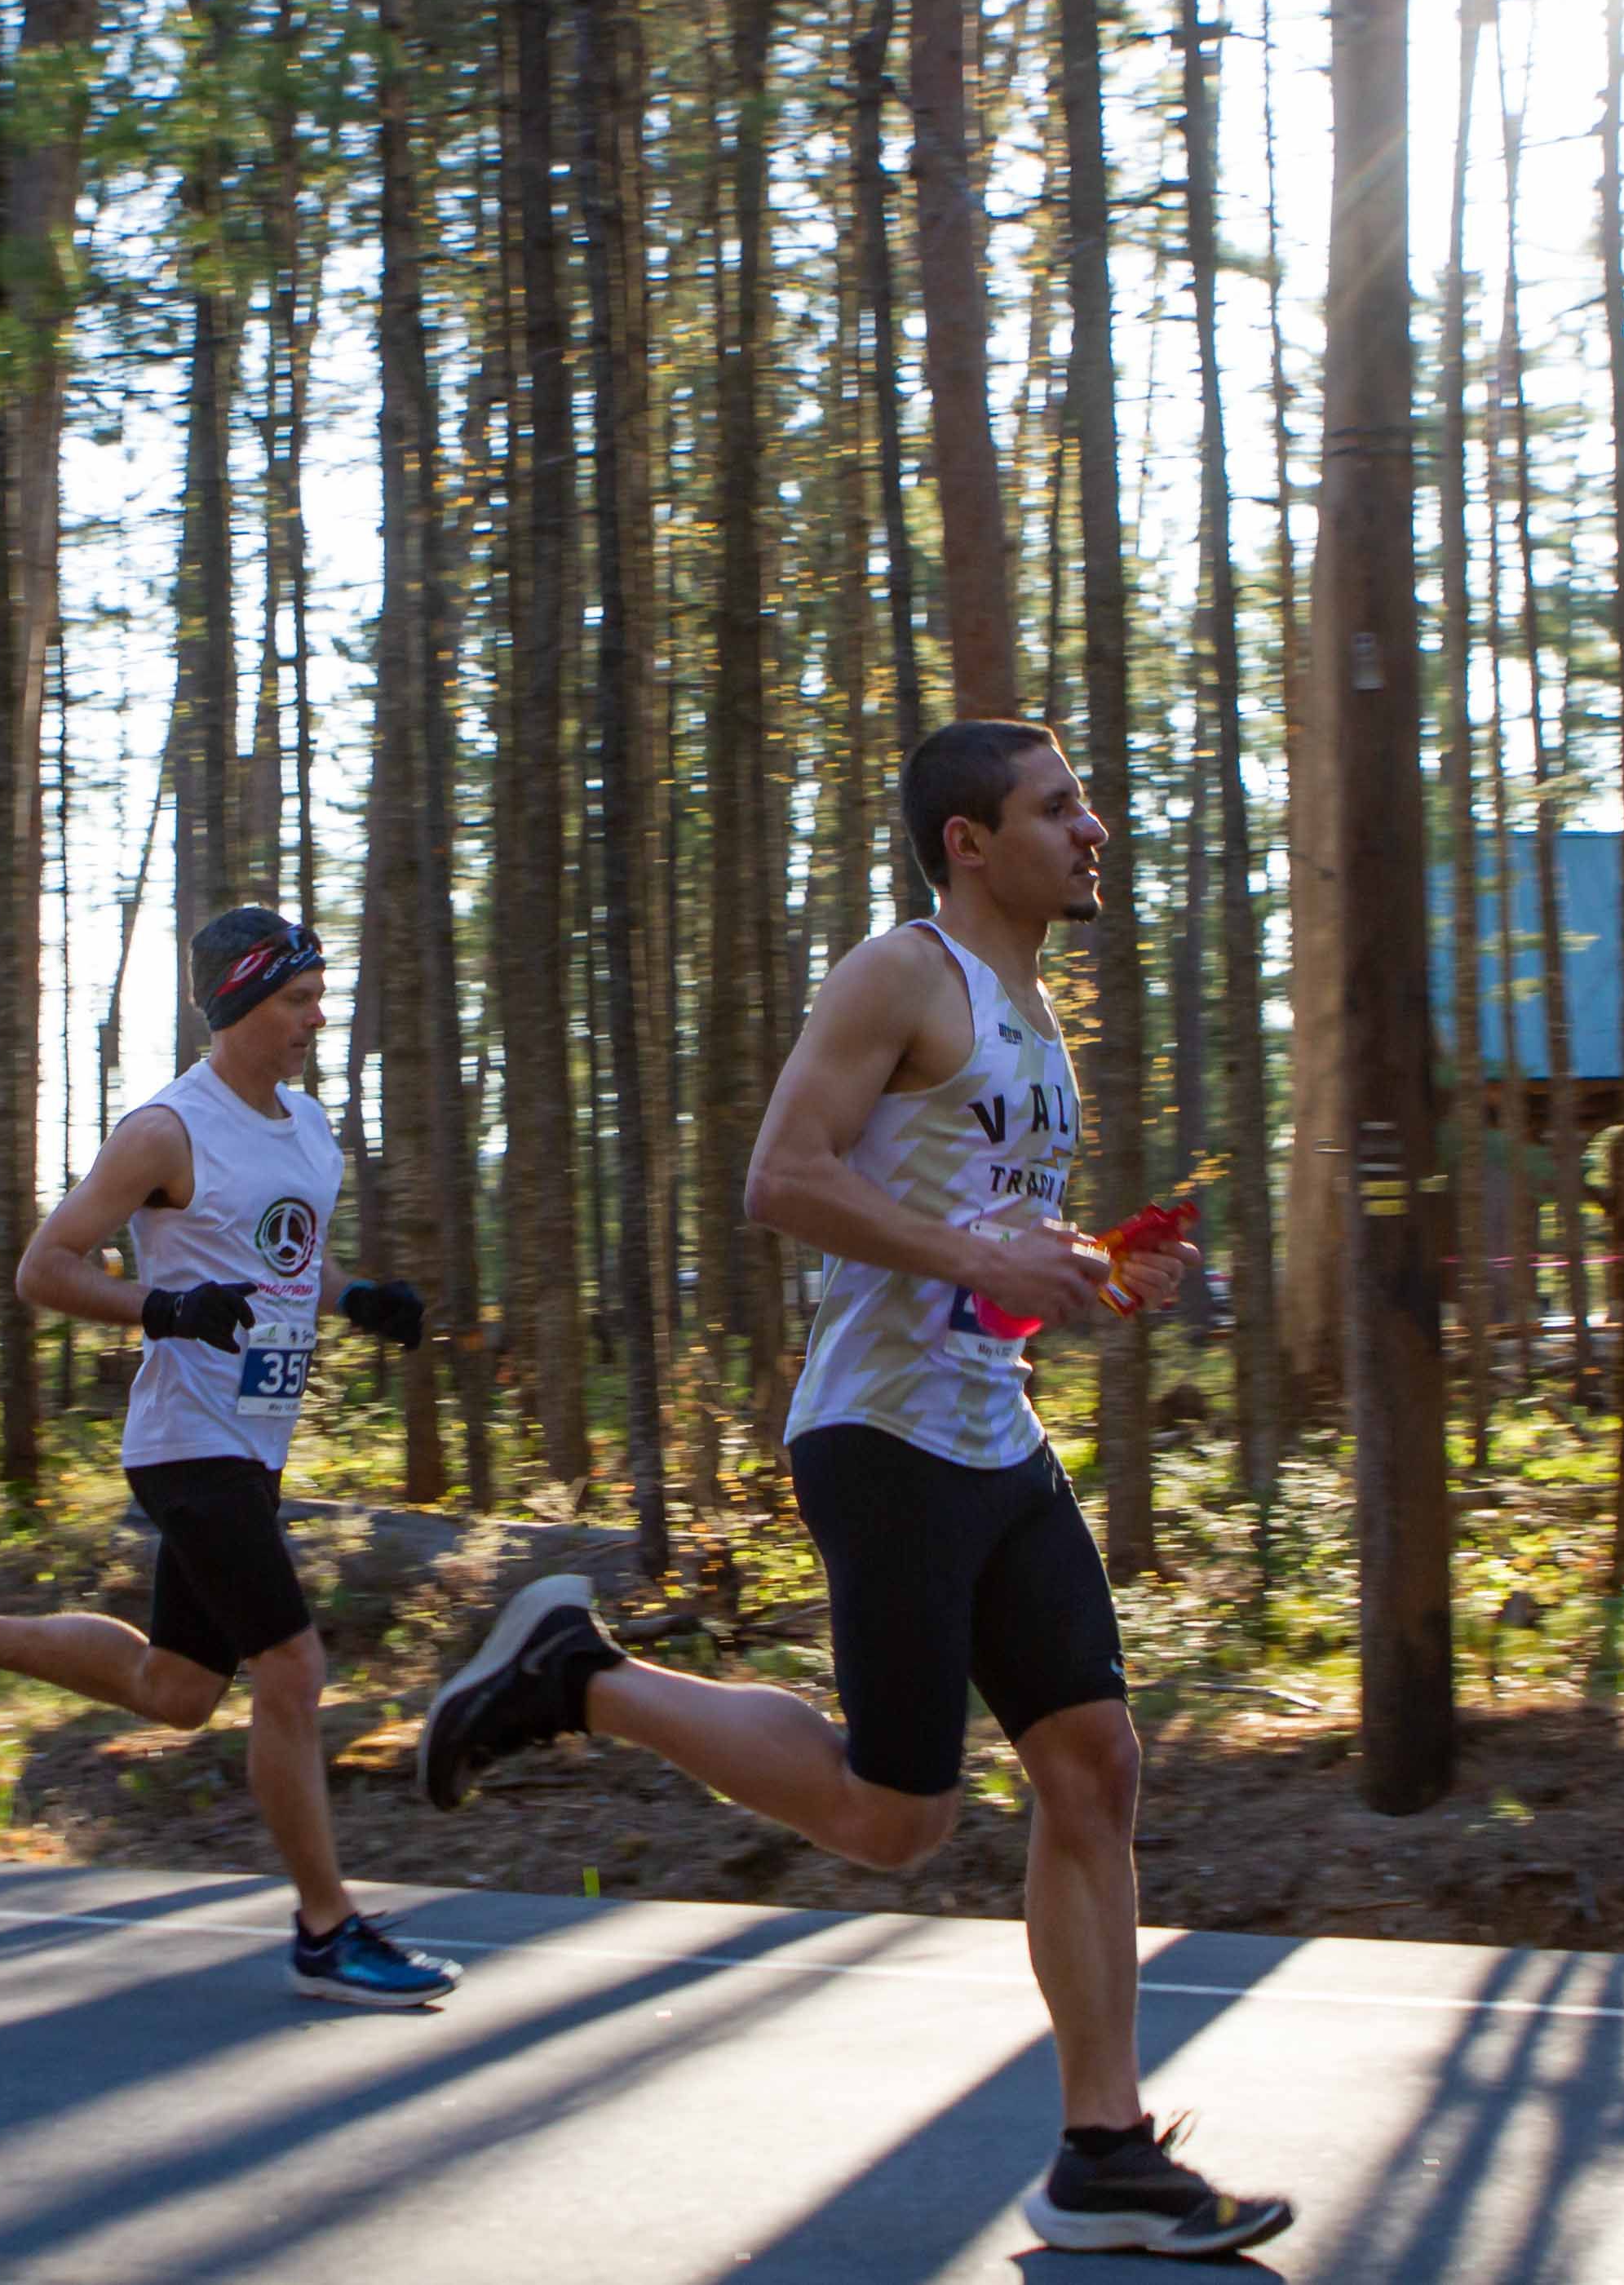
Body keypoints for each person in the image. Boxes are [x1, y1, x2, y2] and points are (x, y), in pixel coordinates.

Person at [419, 722, 1291, 2261]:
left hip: (991, 1431)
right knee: (897, 1822)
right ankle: (578, 1678)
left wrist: (1086, 1271)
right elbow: (784, 1180)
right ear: (969, 839)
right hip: (882, 1441)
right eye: (1059, 807)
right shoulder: (899, 973)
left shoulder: (1028, 1008)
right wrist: (984, 1259)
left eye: (1085, 806)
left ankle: (1103, 2152)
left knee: (1092, 1768)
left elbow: (976, 1238)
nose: (1092, 830)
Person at [0, 905, 458, 2009]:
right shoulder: (164, 1132)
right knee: (292, 1669)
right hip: (189, 1443)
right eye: (295, 1001)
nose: (314, 1020)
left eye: (318, 997)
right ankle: (327, 1932)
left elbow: (281, 1264)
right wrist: (164, 1309)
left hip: (254, 1440)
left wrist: (356, 1297)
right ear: (236, 1003)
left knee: (177, 1690)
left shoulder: (306, 1126)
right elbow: (45, 1269)